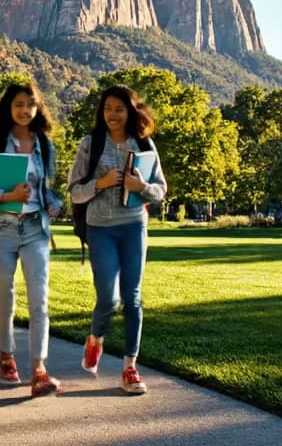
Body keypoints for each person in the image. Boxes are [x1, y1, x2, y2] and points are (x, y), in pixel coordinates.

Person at [0, 81, 64, 398]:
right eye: (19, 104)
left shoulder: (45, 145)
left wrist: (54, 202)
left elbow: (48, 188)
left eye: (30, 105)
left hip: (35, 227)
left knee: (40, 300)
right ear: (9, 107)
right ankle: (7, 358)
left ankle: (39, 369)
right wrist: (5, 195)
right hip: (1, 228)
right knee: (5, 297)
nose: (25, 110)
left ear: (38, 109)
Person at [69, 84, 168, 395]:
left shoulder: (143, 143)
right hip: (101, 228)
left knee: (133, 297)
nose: (112, 114)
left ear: (130, 112)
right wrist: (100, 182)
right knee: (108, 299)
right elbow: (74, 190)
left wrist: (141, 187)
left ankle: (130, 367)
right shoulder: (90, 144)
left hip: (133, 226)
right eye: (107, 108)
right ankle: (95, 339)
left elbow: (160, 189)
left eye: (119, 109)